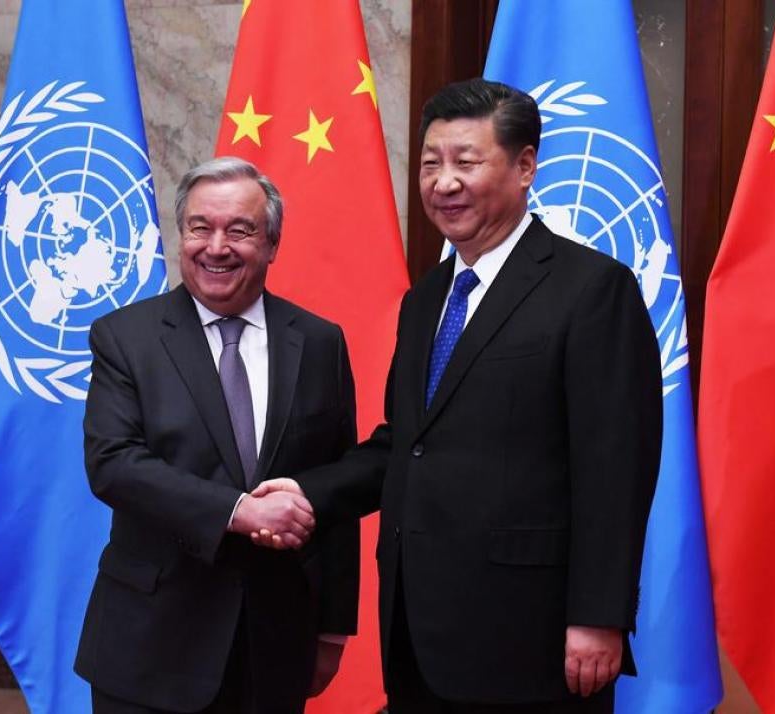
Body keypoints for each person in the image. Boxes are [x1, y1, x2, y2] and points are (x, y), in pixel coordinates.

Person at [253, 79, 662, 713]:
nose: (444, 183)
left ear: (525, 166)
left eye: (466, 162)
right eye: (430, 164)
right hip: (418, 630)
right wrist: (310, 493)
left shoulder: (592, 290)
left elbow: (616, 466)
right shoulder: (426, 299)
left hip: (532, 637)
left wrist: (599, 616)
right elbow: (407, 444)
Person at [74, 157, 360, 713]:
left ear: (272, 245)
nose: (216, 246)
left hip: (273, 646)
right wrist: (237, 511)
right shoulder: (125, 338)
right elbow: (112, 463)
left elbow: (338, 483)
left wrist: (332, 628)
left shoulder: (320, 342)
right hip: (150, 648)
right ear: (182, 236)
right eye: (200, 227)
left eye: (240, 230)